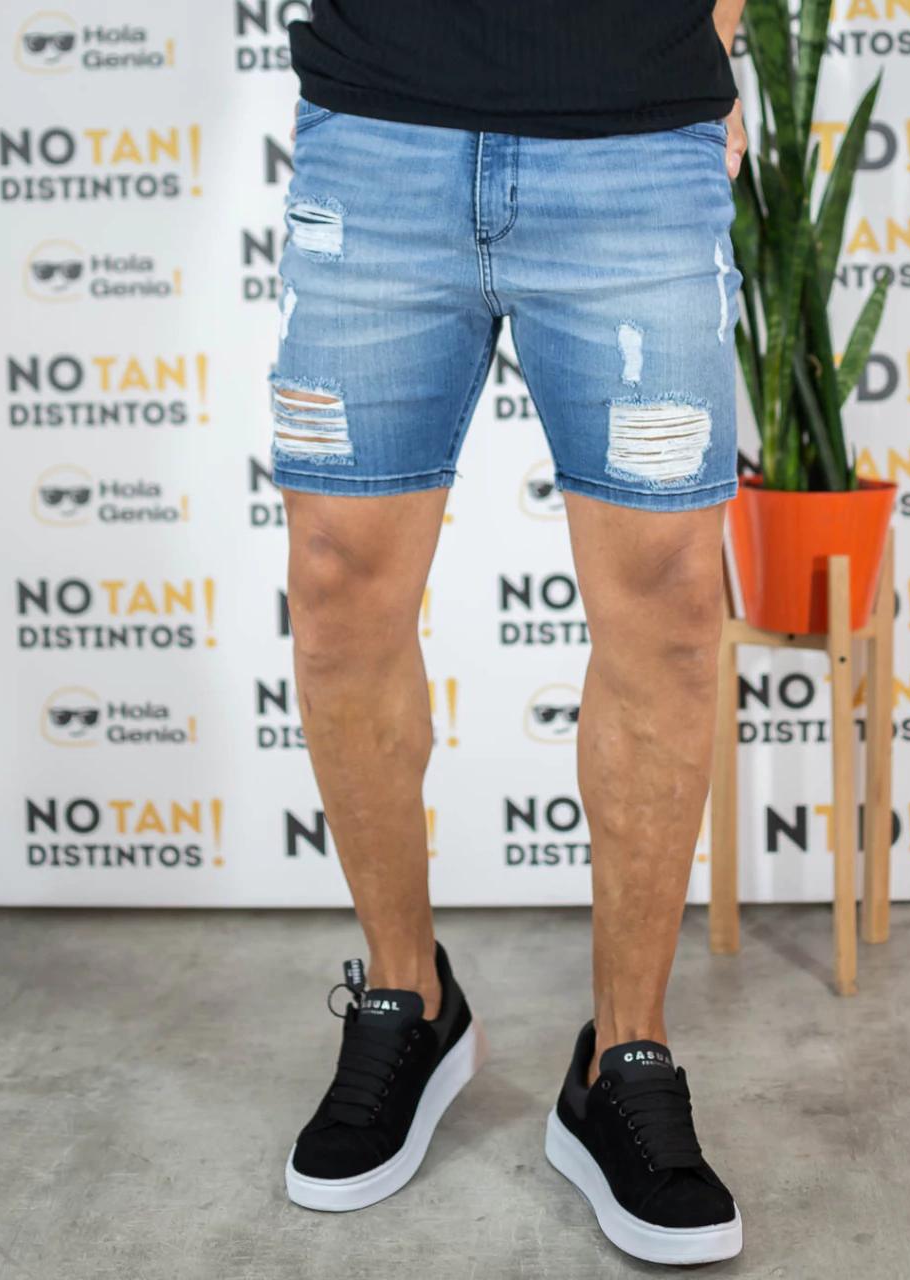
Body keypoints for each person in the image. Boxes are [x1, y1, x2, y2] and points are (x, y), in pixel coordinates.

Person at [270, 0, 747, 1264]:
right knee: (337, 577)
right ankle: (405, 995)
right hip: (378, 134)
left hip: (637, 136)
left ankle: (624, 1055)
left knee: (669, 600)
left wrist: (714, 31)